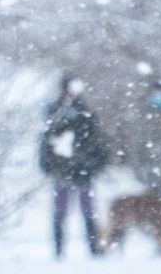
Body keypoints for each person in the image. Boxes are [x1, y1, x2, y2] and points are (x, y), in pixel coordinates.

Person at [39, 77, 110, 257]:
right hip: (64, 170)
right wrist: (48, 165)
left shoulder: (84, 113)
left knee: (86, 211)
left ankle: (93, 248)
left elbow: (98, 142)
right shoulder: (55, 112)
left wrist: (94, 164)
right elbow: (47, 142)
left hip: (81, 170)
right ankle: (59, 249)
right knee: (61, 212)